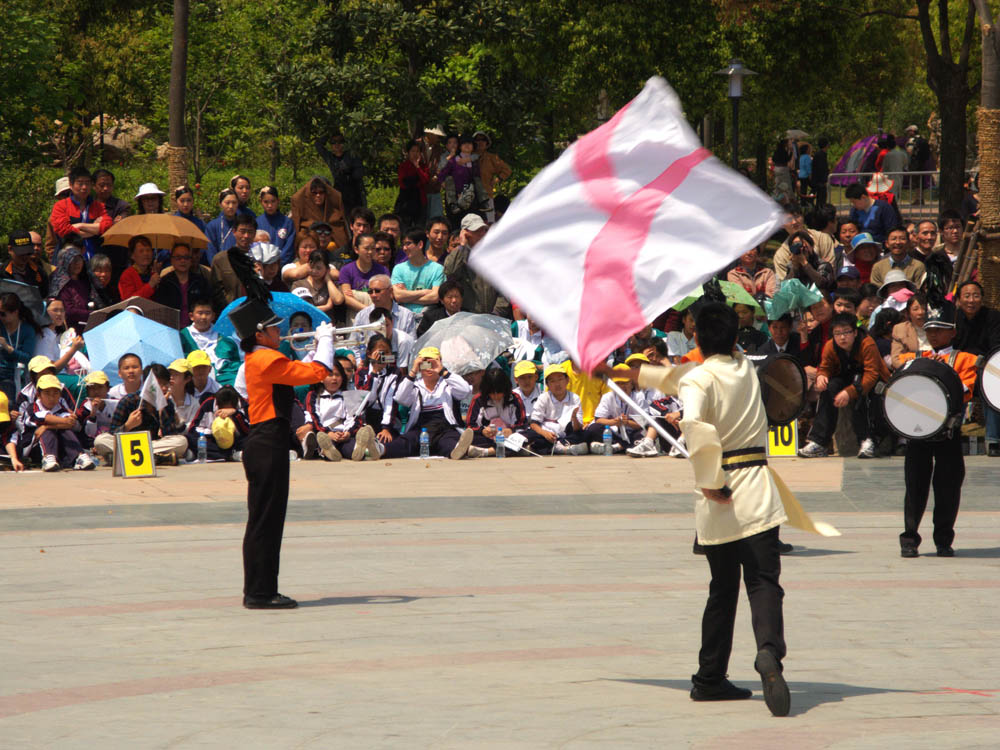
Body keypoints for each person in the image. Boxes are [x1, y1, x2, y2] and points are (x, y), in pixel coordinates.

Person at [601, 302, 791, 714]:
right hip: (756, 487)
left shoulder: (699, 379)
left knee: (722, 589)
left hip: (719, 495)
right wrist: (614, 372)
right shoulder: (745, 367)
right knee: (763, 582)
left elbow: (694, 424)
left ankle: (709, 677)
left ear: (696, 341)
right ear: (735, 338)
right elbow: (674, 376)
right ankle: (769, 654)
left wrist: (710, 482)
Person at [228, 290, 338, 609]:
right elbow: (316, 374)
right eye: (275, 328)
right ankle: (260, 592)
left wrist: (318, 347)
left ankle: (260, 589)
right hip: (269, 442)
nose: (282, 331)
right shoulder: (266, 358)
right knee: (267, 520)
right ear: (260, 333)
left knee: (264, 519)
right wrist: (327, 340)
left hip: (266, 441)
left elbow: (295, 372)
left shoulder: (263, 358)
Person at [896, 301, 978, 557]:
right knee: (915, 486)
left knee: (948, 487)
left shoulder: (966, 360)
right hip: (919, 431)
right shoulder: (914, 359)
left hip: (948, 432)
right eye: (930, 330)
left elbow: (966, 390)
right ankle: (909, 538)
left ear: (952, 332)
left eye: (940, 330)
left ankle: (944, 539)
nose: (933, 335)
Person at [797, 313, 889, 459]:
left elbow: (871, 375)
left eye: (846, 332)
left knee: (863, 393)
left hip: (872, 381)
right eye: (837, 333)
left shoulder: (867, 343)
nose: (842, 337)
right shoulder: (830, 345)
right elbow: (825, 366)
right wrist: (822, 376)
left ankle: (868, 439)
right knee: (829, 389)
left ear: (855, 332)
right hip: (846, 377)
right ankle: (819, 442)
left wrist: (849, 392)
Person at [378, 346, 475, 460]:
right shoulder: (415, 386)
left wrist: (442, 371)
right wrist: (413, 371)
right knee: (406, 441)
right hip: (421, 429)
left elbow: (465, 391)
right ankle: (379, 449)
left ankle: (457, 449)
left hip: (445, 428)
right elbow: (400, 397)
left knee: (449, 442)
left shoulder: (448, 384)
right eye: (425, 364)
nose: (429, 368)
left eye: (432, 363)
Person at [92, 363, 190, 467]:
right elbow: (113, 433)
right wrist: (128, 426)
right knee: (101, 440)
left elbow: (170, 435)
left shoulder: (166, 404)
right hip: (129, 443)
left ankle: (126, 457)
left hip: (153, 444)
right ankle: (156, 458)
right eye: (159, 384)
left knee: (182, 441)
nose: (164, 388)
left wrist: (162, 412)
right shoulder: (129, 401)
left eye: (166, 385)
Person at [952, 280, 1000, 455]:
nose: (971, 300)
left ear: (982, 298)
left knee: (991, 386)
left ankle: (993, 440)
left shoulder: (993, 317)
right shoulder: (953, 317)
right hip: (958, 366)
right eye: (967, 296)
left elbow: (996, 346)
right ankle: (949, 435)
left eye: (975, 295)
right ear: (959, 299)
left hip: (985, 366)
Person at [303, 360, 377, 462]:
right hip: (324, 433)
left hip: (343, 433)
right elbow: (313, 416)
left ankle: (357, 449)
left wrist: (348, 433)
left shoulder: (348, 395)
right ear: (321, 379)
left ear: (342, 378)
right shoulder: (314, 395)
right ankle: (327, 451)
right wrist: (328, 432)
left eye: (337, 375)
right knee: (324, 442)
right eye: (330, 375)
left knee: (349, 447)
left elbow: (354, 418)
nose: (334, 378)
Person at [20, 373, 93, 472]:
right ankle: (48, 457)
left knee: (64, 430)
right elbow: (46, 418)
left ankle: (79, 457)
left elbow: (69, 423)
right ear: (38, 395)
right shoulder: (32, 408)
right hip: (33, 449)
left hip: (58, 447)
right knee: (48, 431)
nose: (51, 397)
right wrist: (61, 423)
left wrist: (48, 426)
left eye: (55, 393)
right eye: (47, 393)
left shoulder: (61, 408)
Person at [443, 214, 510, 317]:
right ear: (465, 233)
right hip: (467, 317)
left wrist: (496, 312)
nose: (482, 233)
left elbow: (504, 287)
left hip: (495, 316)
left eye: (483, 230)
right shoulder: (459, 255)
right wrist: (462, 246)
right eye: (476, 231)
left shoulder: (495, 254)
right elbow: (450, 272)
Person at [49, 166, 112, 258]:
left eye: (87, 183)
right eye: (80, 183)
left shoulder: (98, 206)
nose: (84, 187)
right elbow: (64, 231)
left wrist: (80, 225)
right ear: (71, 184)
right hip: (68, 258)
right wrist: (94, 230)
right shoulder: (61, 206)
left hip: (95, 257)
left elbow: (107, 227)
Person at [526, 363, 589, 455]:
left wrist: (574, 418)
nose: (557, 384)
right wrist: (545, 433)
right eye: (552, 381)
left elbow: (577, 428)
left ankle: (558, 446)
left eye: (560, 379)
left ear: (567, 380)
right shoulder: (544, 398)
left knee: (584, 434)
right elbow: (534, 423)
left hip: (567, 433)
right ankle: (562, 447)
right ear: (547, 384)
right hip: (547, 434)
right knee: (532, 435)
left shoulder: (575, 398)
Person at [354, 333, 402, 447]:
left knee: (390, 443)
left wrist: (386, 428)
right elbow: (364, 399)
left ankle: (377, 447)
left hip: (388, 418)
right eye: (380, 353)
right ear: (370, 354)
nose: (383, 357)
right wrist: (374, 373)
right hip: (366, 417)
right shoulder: (361, 372)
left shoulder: (395, 372)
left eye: (387, 353)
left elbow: (391, 401)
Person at [180, 298, 241, 387]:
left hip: (225, 376)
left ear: (213, 316)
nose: (204, 317)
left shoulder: (224, 335)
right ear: (191, 316)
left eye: (207, 313)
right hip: (197, 377)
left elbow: (235, 359)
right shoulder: (183, 336)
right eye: (200, 313)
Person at [391, 229, 445, 315]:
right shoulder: (398, 269)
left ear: (420, 244)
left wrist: (406, 296)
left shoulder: (437, 269)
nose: (404, 248)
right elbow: (398, 296)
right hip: (404, 317)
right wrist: (424, 292)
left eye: (408, 244)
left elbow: (435, 297)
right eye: (403, 245)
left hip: (428, 317)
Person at [211, 213, 257, 312]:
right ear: (234, 232)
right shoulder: (221, 259)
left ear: (255, 234)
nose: (246, 236)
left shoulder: (259, 259)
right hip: (230, 311)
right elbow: (216, 291)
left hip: (256, 311)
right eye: (242, 231)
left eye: (250, 232)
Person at [154, 242, 210, 323]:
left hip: (197, 328)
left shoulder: (200, 281)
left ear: (191, 260)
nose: (182, 261)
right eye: (178, 257)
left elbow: (207, 305)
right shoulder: (165, 283)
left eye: (186, 257)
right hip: (171, 328)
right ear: (172, 260)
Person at [290, 176, 349, 250]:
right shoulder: (302, 210)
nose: (318, 195)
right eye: (314, 193)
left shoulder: (335, 211)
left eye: (321, 192)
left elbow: (341, 235)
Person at [0, 292, 40, 402]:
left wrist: (7, 347)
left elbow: (27, 358)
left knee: (8, 402)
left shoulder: (27, 330)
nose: (0, 317)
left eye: (3, 314)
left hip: (13, 375)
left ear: (15, 312)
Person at [315, 133, 367, 214]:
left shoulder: (352, 155)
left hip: (355, 193)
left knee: (358, 216)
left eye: (340, 142)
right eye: (333, 142)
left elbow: (359, 174)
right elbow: (318, 145)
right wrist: (329, 132)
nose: (337, 145)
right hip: (339, 192)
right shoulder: (330, 158)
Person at [339, 233, 388, 315]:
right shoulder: (346, 270)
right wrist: (368, 310)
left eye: (373, 248)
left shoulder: (382, 270)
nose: (370, 252)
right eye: (366, 248)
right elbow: (347, 298)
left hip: (378, 312)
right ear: (356, 249)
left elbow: (387, 294)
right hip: (355, 313)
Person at [49, 245, 93, 332]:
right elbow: (69, 310)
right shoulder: (61, 284)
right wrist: (91, 314)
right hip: (70, 329)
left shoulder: (85, 281)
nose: (77, 263)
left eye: (79, 260)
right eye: (73, 260)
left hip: (89, 325)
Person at [473, 131, 512, 223]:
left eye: (483, 140)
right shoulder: (467, 157)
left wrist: (497, 179)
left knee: (488, 223)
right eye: (477, 140)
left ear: (487, 143)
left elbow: (507, 170)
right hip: (470, 197)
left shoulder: (492, 158)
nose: (480, 142)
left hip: (487, 195)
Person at [290, 250, 344, 316]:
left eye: (319, 268)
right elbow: (304, 309)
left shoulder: (333, 284)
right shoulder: (298, 284)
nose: (314, 271)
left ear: (327, 268)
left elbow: (338, 300)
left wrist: (328, 280)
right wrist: (327, 307)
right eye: (311, 267)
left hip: (329, 324)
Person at [395, 139, 430, 230]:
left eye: (417, 151)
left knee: (419, 229)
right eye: (413, 151)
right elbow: (403, 183)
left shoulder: (423, 166)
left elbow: (425, 180)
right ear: (408, 152)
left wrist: (417, 167)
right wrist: (417, 181)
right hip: (406, 203)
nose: (415, 153)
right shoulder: (403, 166)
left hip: (421, 202)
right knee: (405, 229)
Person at [2, 230, 49, 295]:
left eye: (27, 252)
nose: (24, 256)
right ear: (10, 249)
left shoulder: (39, 272)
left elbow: (45, 295)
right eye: (20, 253)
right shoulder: (2, 273)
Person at [117, 236, 161, 301]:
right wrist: (150, 285)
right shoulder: (127, 275)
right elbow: (129, 301)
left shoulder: (153, 274)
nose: (146, 254)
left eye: (148, 250)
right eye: (141, 251)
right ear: (132, 255)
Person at [811, 138, 830, 205]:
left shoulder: (820, 154)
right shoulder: (820, 155)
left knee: (821, 197)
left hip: (818, 180)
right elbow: (821, 169)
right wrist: (823, 179)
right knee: (821, 198)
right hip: (819, 181)